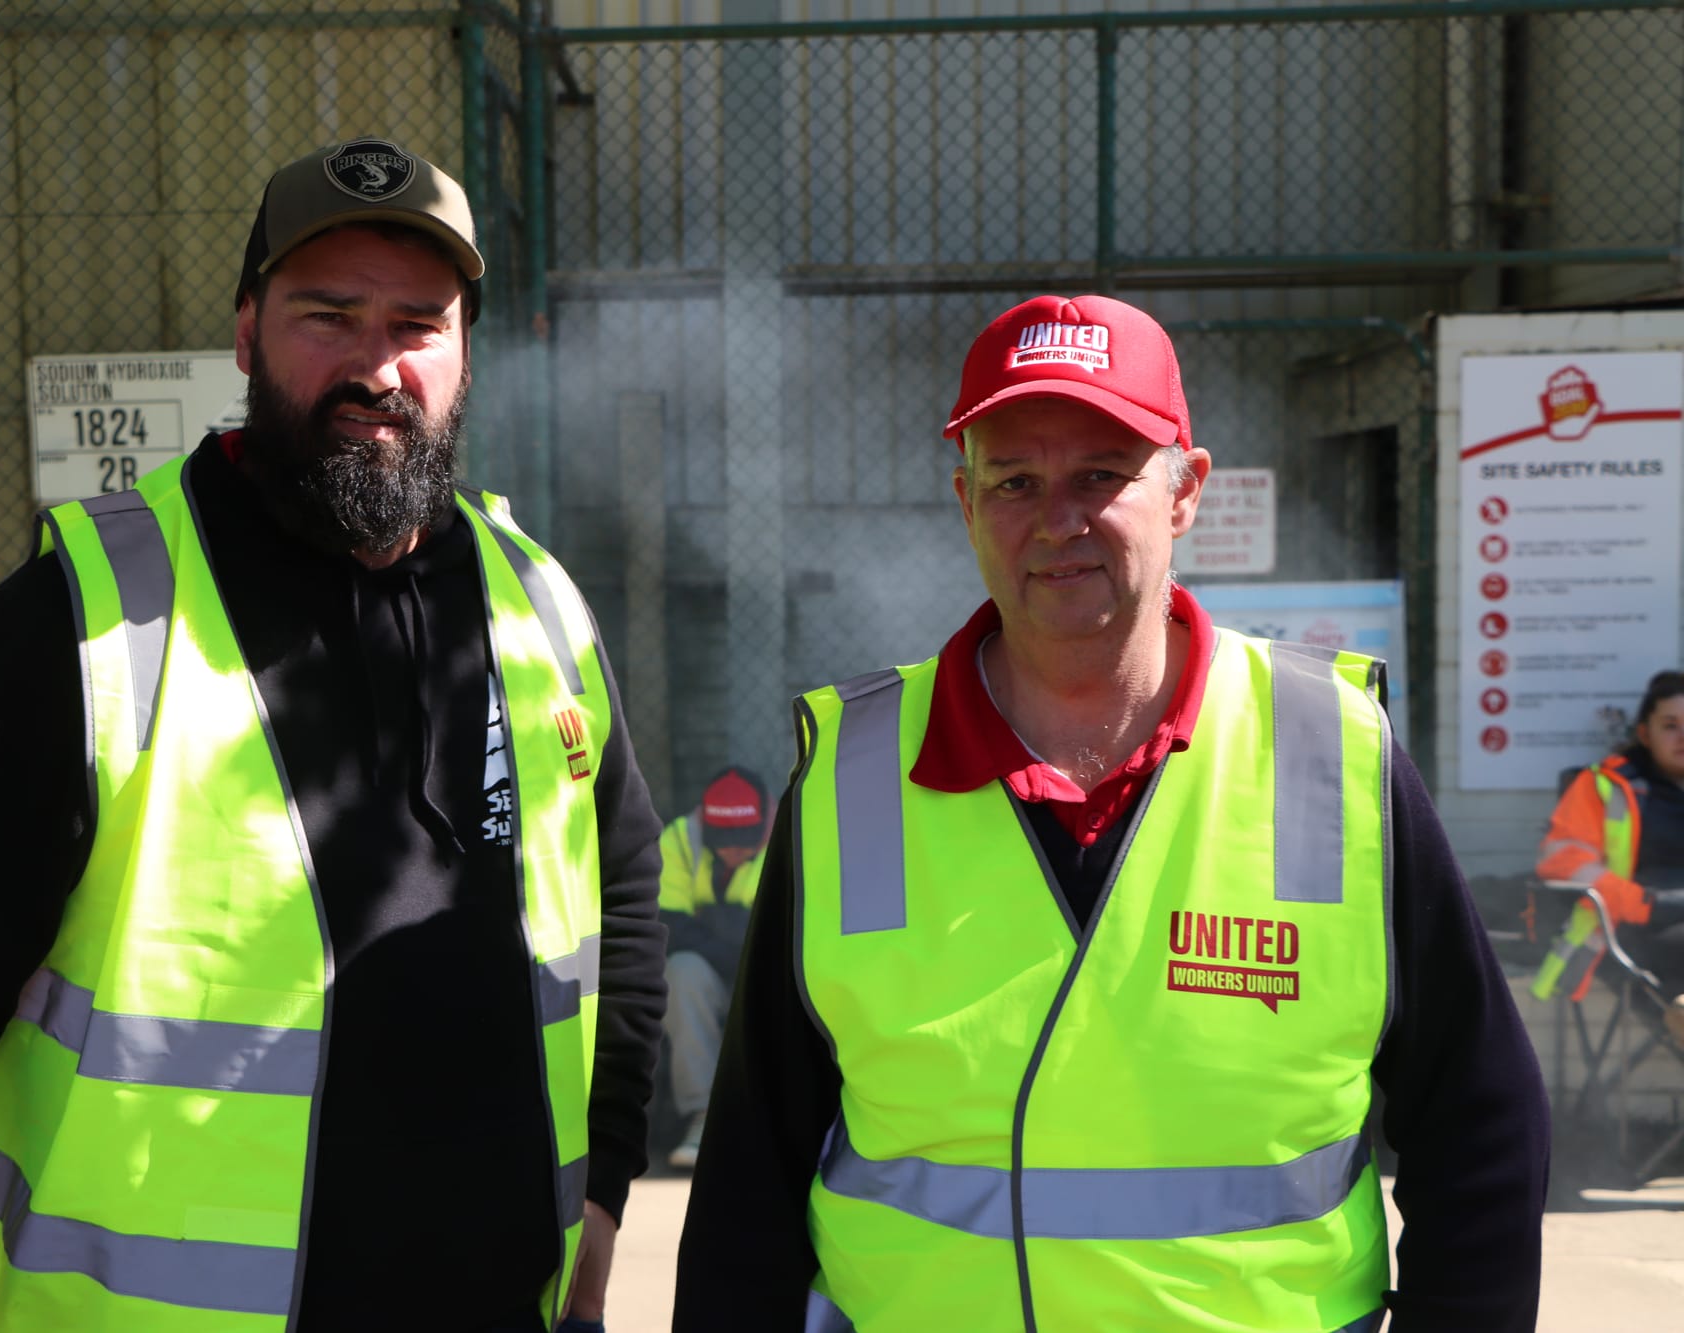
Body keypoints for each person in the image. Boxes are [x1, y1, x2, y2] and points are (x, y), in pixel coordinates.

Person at [0, 138, 667, 1333]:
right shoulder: (81, 621)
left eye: (419, 322)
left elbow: (618, 913)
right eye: (329, 315)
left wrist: (604, 1204)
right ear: (246, 331)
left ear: (466, 350)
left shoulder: (537, 602)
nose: (378, 365)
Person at [674, 294, 1550, 1331]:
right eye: (1013, 481)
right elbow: (751, 1175)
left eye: (1101, 474)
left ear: (1185, 493)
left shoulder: (1331, 751)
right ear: (963, 500)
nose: (1057, 519)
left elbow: (1480, 1124)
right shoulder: (851, 775)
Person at [1535, 669, 1684, 1043]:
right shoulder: (1605, 784)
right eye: (1670, 725)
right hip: (1632, 928)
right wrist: (1645, 903)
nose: (1682, 735)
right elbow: (1564, 861)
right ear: (1644, 733)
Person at [656, 765, 770, 1170]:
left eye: (743, 841)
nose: (733, 851)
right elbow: (671, 930)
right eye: (724, 841)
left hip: (766, 973)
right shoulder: (679, 840)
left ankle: (771, 1119)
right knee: (681, 971)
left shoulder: (795, 833)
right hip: (715, 971)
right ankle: (703, 1118)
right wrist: (735, 948)